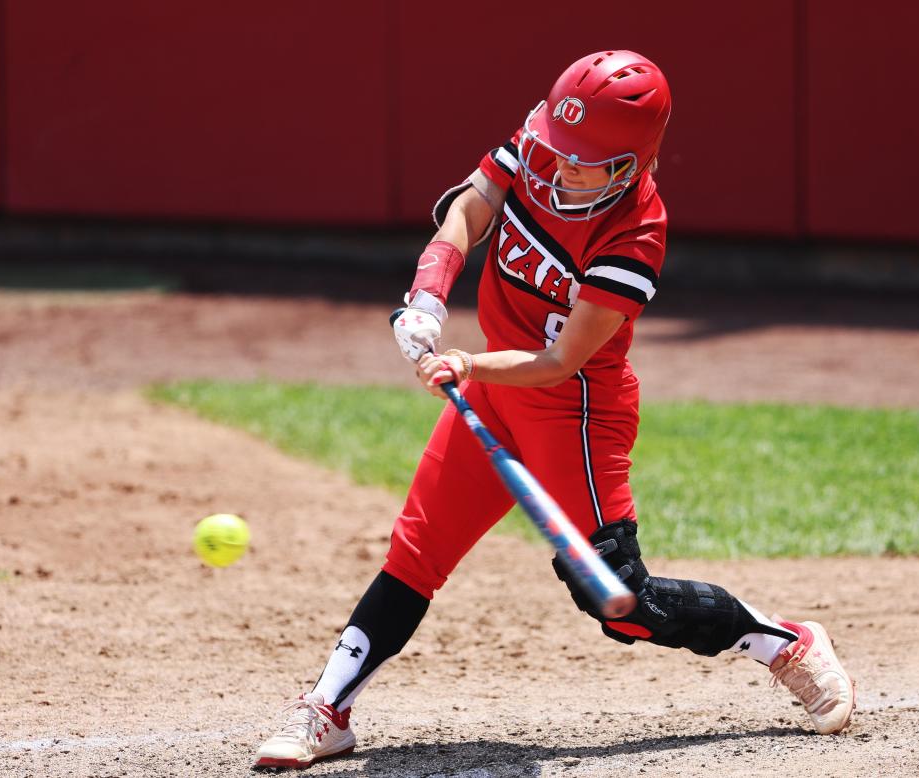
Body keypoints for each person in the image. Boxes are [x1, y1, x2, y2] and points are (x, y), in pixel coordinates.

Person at [253, 50, 855, 770]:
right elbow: (465, 216)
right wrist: (427, 295)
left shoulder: (636, 235)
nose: (558, 169)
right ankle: (327, 707)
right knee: (416, 555)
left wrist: (469, 362)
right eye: (555, 149)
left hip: (575, 412)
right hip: (494, 393)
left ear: (631, 164)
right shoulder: (541, 149)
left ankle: (784, 644)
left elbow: (559, 361)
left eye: (583, 163)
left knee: (622, 606)